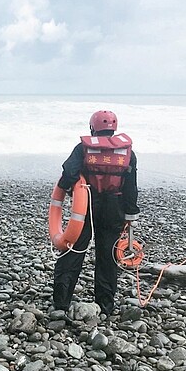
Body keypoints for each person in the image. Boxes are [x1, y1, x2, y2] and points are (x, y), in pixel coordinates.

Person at [53, 110, 140, 315]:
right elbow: (131, 187)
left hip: (86, 206)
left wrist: (65, 190)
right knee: (108, 255)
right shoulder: (128, 152)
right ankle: (105, 305)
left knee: (74, 249)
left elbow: (69, 174)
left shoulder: (83, 148)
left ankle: (62, 301)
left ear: (93, 127)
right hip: (114, 207)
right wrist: (131, 213)